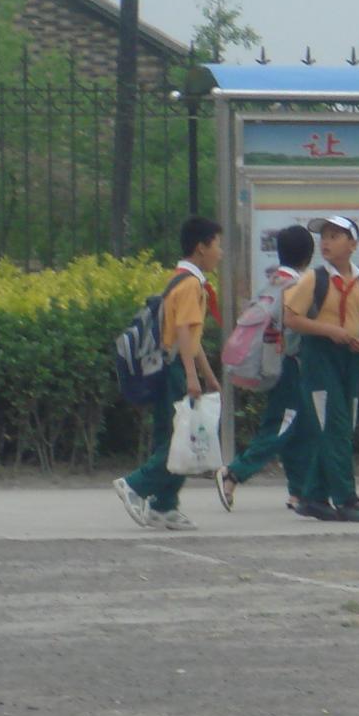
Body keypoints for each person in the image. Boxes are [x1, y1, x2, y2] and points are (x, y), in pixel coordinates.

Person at [114, 215, 222, 532]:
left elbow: (191, 336)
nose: (220, 253)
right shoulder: (190, 285)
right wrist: (192, 377)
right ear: (201, 248)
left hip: (168, 364)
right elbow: (185, 334)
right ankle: (135, 485)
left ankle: (164, 506)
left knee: (170, 437)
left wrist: (208, 374)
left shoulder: (180, 280)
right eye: (217, 245)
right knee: (182, 441)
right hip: (175, 368)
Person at [282, 214, 359, 523]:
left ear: (353, 244)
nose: (325, 242)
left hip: (348, 357)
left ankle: (312, 496)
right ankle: (346, 498)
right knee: (332, 427)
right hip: (320, 356)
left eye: (335, 236)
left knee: (342, 426)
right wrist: (328, 330)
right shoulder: (314, 278)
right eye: (323, 236)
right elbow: (290, 317)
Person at [213, 224, 317, 513]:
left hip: (271, 363)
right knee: (280, 427)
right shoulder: (299, 286)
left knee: (300, 428)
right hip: (291, 366)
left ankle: (299, 493)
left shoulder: (273, 282)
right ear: (310, 254)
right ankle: (233, 473)